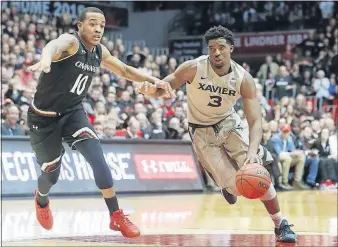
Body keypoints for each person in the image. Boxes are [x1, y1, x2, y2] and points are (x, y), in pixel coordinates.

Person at [138, 26, 297, 243]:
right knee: (237, 188)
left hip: (229, 123)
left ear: (231, 49)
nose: (216, 52)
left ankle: (280, 224)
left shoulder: (243, 78)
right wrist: (152, 92)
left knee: (259, 177)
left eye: (221, 47)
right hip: (201, 131)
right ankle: (221, 180)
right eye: (212, 48)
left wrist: (252, 152)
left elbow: (255, 121)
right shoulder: (193, 68)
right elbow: (166, 86)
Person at [26, 7, 172, 238]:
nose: (98, 29)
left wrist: (156, 80)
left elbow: (125, 70)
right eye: (92, 23)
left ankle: (115, 215)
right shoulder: (71, 43)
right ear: (79, 25)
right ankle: (41, 200)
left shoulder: (99, 51)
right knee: (51, 175)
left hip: (73, 113)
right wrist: (45, 59)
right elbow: (53, 45)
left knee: (98, 160)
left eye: (102, 25)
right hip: (44, 119)